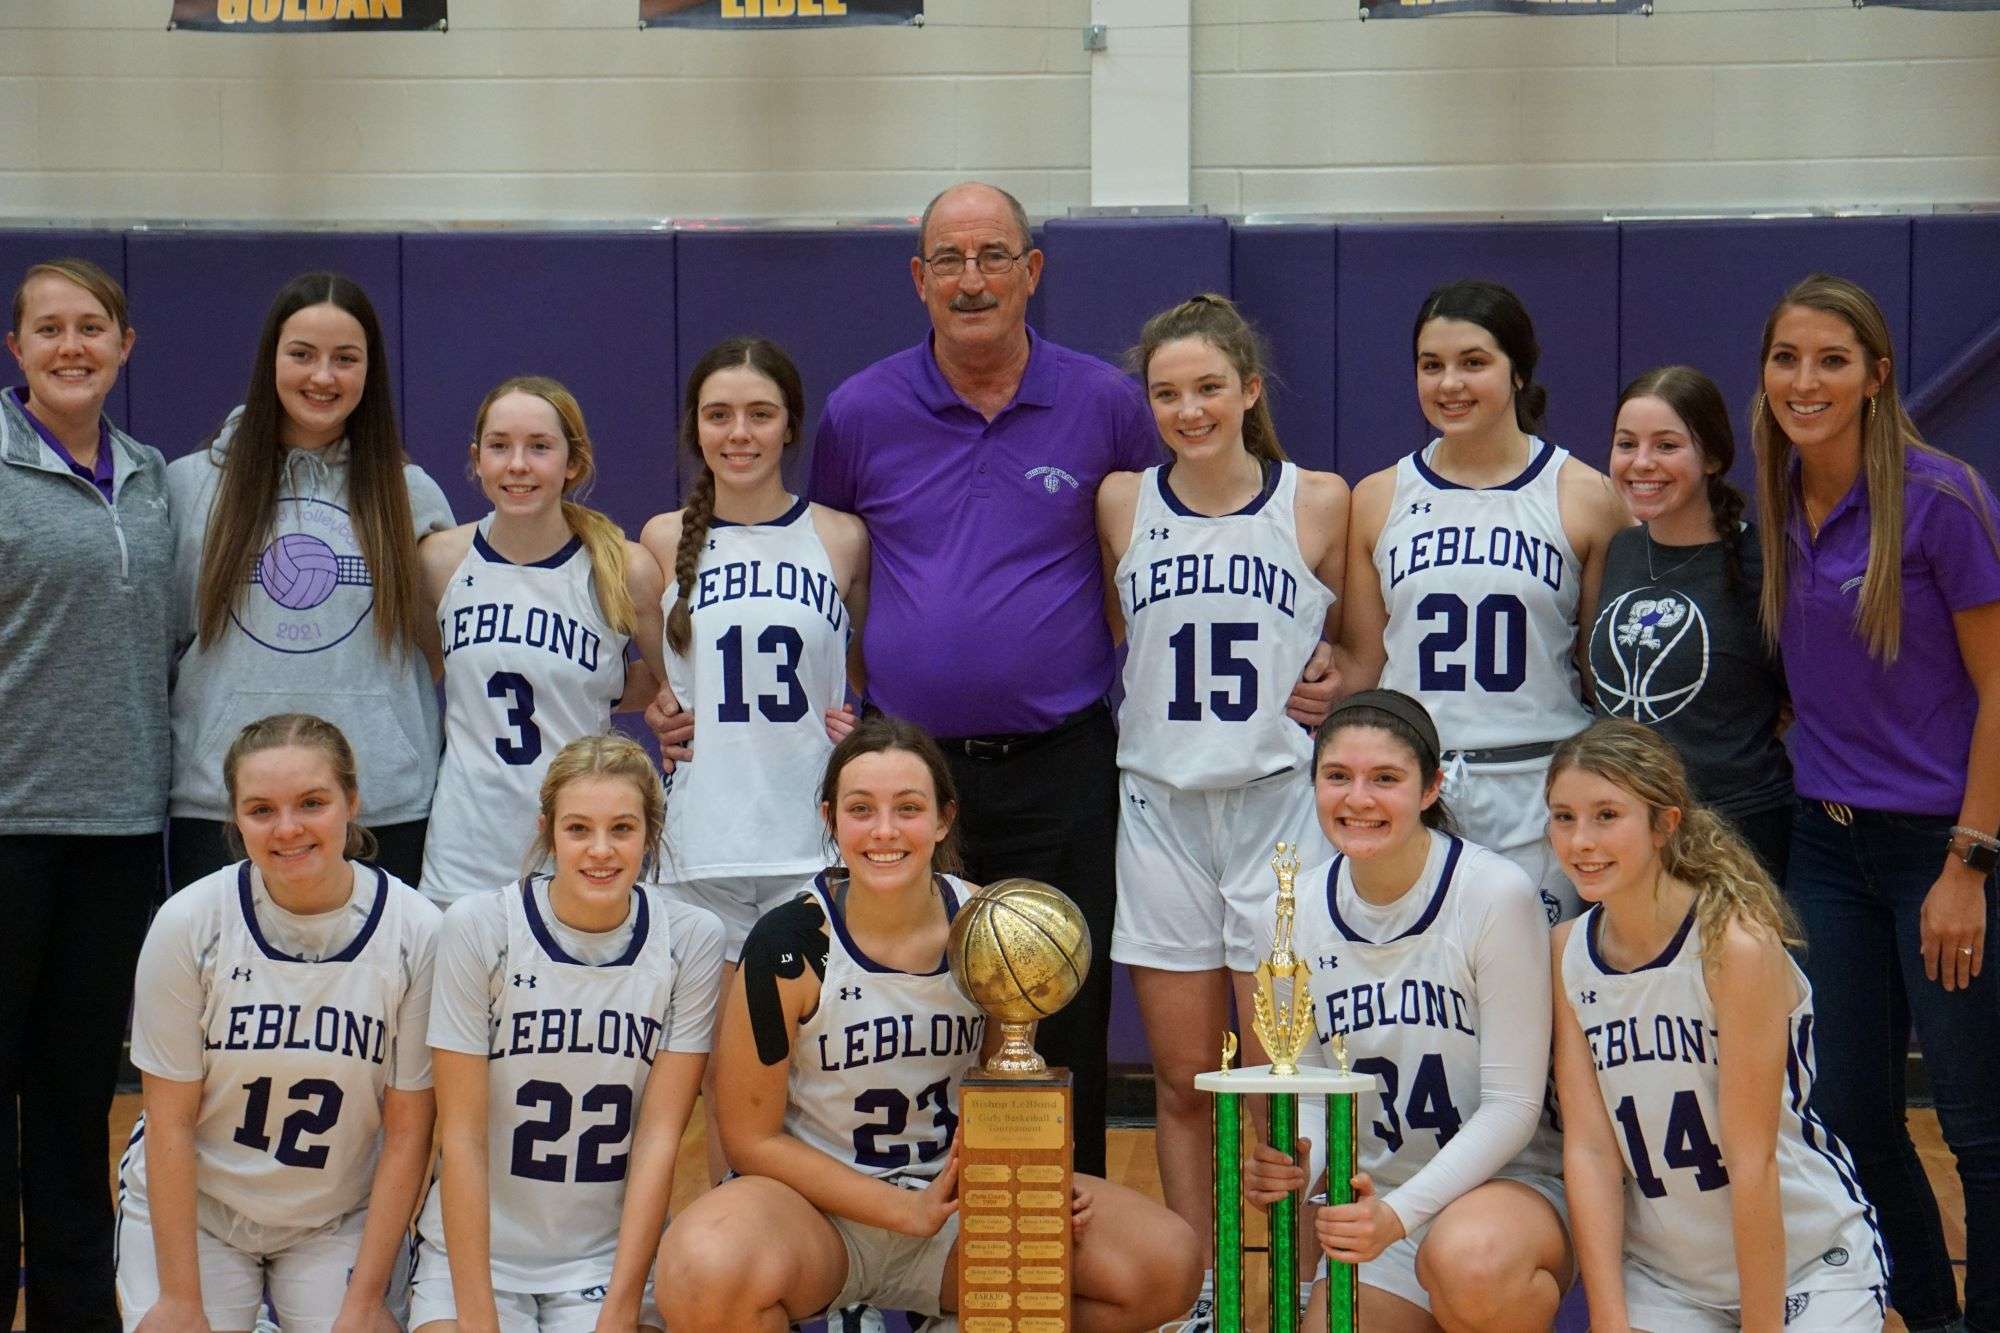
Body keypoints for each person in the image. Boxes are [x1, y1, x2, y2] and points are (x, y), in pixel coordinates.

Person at [758, 181, 1338, 1181]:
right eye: (949, 259)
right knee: (905, 1004)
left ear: (1032, 271)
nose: (971, 279)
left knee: (1057, 1012)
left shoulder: (1106, 405)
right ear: (917, 278)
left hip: (1064, 762)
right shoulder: (858, 412)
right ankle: (912, 1230)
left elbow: (1158, 556)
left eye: (993, 257)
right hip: (914, 774)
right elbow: (833, 570)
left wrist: (1322, 660)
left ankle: (1063, 1254)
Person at [655, 714, 1204, 1332]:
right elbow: (751, 1139)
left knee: (1165, 1263)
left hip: (957, 1209)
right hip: (817, 1215)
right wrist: (899, 1209)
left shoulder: (991, 925)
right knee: (700, 1266)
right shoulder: (789, 943)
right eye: (861, 810)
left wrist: (1032, 1171)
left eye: (908, 809)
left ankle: (949, 1317)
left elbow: (1008, 1085)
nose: (884, 831)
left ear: (943, 819)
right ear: (831, 821)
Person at [1754, 272, 2000, 1333]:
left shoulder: (1940, 499)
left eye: (1829, 360)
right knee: (1848, 1106)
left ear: (1874, 374)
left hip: (1939, 850)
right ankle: (1930, 1318)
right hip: (1824, 846)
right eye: (1785, 359)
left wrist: (1967, 861)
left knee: (1975, 1122)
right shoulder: (1774, 497)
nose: (1803, 382)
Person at [1097, 292, 1347, 1326]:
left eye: (1207, 387)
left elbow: (1360, 653)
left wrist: (1337, 671)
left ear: (1248, 389)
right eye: (1166, 392)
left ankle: (1298, 1283)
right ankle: (1195, 1291)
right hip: (1158, 807)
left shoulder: (1319, 499)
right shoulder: (1121, 502)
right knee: (1181, 1078)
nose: (1187, 409)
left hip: (1275, 809)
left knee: (1285, 1076)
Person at [1243, 690, 1571, 1333]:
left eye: (1385, 779)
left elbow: (1514, 1108)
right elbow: (1311, 1084)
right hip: (1379, 1202)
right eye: (1337, 777)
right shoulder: (1288, 912)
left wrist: (1399, 1215)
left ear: (1431, 788)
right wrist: (1294, 1159)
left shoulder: (1494, 894)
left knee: (1469, 1264)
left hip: (1507, 1195)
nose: (1358, 799)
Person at [1547, 718, 1886, 1332]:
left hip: (1803, 1261)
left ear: (1664, 824)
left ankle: (1868, 1307)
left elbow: (1752, 1160)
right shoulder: (1567, 951)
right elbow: (1592, 1149)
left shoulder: (1734, 947)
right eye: (1563, 817)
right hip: (1666, 1277)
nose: (1580, 841)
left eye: (1606, 815)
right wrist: (1610, 1319)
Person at [118, 713, 441, 1333]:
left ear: (352, 801)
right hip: (200, 1207)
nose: (288, 829)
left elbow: (408, 1132)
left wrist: (366, 1302)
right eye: (261, 809)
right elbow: (170, 1121)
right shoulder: (190, 924)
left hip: (339, 1213)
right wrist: (183, 1303)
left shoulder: (417, 932)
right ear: (235, 820)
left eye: (312, 803)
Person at [410, 734, 722, 1333]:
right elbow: (462, 1136)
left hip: (605, 1257)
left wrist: (621, 1310)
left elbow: (660, 1137)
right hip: (476, 1255)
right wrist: (478, 1317)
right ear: (547, 830)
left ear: (650, 834)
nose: (600, 851)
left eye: (623, 829)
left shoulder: (690, 939)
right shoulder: (479, 927)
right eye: (579, 829)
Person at [1340, 279, 1627, 926]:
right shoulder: (1379, 497)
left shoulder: (1584, 495)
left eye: (1474, 362)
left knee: (1543, 1008)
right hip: (1418, 790)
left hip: (1541, 788)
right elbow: (1364, 667)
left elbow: (1600, 670)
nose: (1450, 384)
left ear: (1519, 372)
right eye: (1431, 365)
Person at [1, 257, 173, 1331]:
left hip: (118, 832)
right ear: (16, 351)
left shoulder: (154, 478)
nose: (71, 346)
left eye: (91, 327)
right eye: (47, 329)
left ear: (124, 345)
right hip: (8, 826)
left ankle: (73, 1309)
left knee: (73, 1101)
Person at [168, 271, 454, 891]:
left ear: (369, 373)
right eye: (302, 355)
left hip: (382, 806)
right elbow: (163, 644)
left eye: (345, 359)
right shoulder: (189, 488)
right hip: (225, 809)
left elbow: (434, 649)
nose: (322, 377)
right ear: (271, 360)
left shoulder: (411, 495)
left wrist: (370, 710)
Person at [640, 336, 866, 960]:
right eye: (719, 415)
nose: (739, 433)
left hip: (809, 838)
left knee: (802, 1051)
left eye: (760, 414)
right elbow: (643, 673)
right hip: (699, 844)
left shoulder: (841, 536)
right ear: (696, 426)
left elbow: (874, 665)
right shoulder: (661, 539)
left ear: (790, 425)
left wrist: (862, 732)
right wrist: (661, 704)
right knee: (704, 1053)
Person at [418, 375, 667, 908]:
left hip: (582, 852)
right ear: (476, 458)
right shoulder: (441, 561)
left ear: (573, 462)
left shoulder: (622, 569)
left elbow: (672, 686)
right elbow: (419, 678)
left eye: (539, 447)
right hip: (464, 852)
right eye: (500, 446)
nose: (518, 465)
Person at [1585, 367, 1791, 877]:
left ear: (1713, 459)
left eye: (1667, 445)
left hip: (1739, 829)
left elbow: (1806, 694)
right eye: (1626, 444)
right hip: (1631, 829)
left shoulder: (1761, 559)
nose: (1642, 463)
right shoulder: (1621, 550)